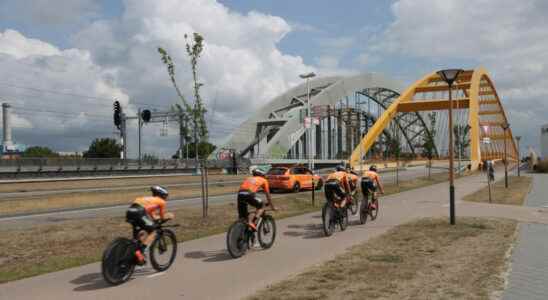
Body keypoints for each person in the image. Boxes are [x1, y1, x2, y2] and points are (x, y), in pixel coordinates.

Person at [126, 185, 174, 265]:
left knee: (140, 234)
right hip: (139, 213)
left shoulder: (148, 200)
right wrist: (169, 216)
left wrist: (157, 218)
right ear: (162, 195)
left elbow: (153, 217)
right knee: (154, 231)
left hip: (130, 212)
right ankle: (141, 252)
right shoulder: (161, 202)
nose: (166, 198)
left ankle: (136, 252)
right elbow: (162, 217)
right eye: (165, 196)